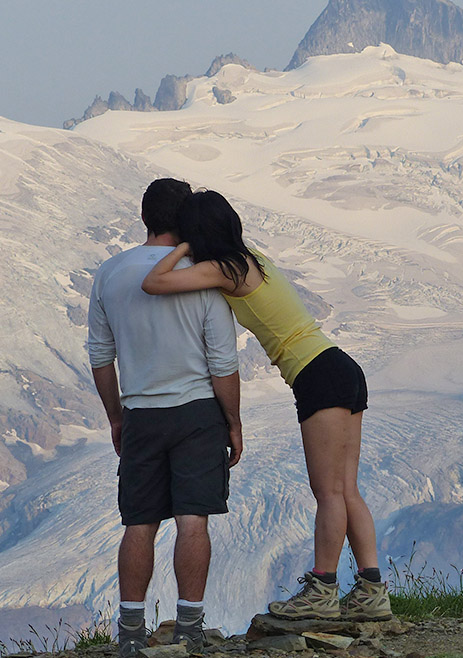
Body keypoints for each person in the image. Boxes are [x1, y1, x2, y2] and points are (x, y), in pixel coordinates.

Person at [141, 189, 391, 622]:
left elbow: (154, 282)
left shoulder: (222, 269)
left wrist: (180, 243)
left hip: (315, 373)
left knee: (328, 492)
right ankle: (372, 591)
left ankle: (323, 588)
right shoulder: (251, 258)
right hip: (340, 365)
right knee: (347, 488)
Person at [87, 178, 242, 656]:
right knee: (193, 520)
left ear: (145, 218)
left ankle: (131, 633)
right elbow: (223, 363)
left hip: (140, 413)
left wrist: (116, 417)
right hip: (197, 412)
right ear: (186, 221)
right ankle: (190, 630)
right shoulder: (201, 276)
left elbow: (100, 355)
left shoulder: (110, 273)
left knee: (140, 523)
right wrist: (233, 423)